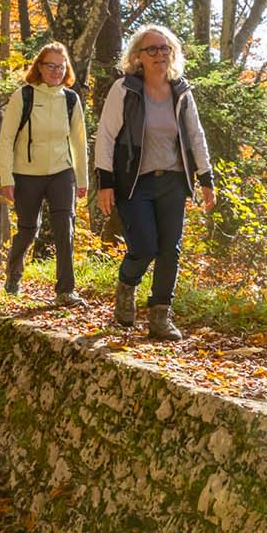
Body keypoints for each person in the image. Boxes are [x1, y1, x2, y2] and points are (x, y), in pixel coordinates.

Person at [94, 24, 215, 340]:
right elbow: (106, 136)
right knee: (144, 246)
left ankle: (160, 316)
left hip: (173, 181)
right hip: (135, 182)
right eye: (152, 49)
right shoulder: (125, 89)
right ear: (138, 56)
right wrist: (105, 182)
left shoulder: (181, 91)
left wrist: (206, 177)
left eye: (164, 48)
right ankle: (126, 286)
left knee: (169, 250)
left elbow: (196, 135)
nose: (159, 54)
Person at [0, 41, 89, 306]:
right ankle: (13, 276)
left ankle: (65, 291)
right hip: (26, 174)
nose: (56, 71)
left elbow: (79, 141)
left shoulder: (70, 99)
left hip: (61, 172)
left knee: (65, 229)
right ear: (39, 67)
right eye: (51, 65)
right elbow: (6, 139)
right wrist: (6, 177)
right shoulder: (23, 96)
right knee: (28, 229)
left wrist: (82, 179)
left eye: (61, 66)